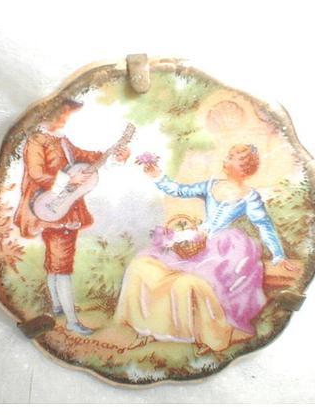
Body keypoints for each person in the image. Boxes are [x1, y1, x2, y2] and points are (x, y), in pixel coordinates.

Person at [115, 144, 295, 351]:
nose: (225, 159)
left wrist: (279, 255)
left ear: (243, 167)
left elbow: (264, 225)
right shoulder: (211, 185)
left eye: (231, 157)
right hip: (200, 239)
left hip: (227, 248)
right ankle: (152, 325)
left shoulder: (249, 196)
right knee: (145, 266)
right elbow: (179, 190)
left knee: (197, 280)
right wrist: (157, 175)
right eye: (228, 155)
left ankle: (209, 332)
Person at [14, 100, 130, 335]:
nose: (65, 119)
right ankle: (72, 321)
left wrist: (113, 155)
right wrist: (68, 180)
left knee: (56, 261)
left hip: (64, 207)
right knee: (62, 266)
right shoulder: (36, 141)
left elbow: (85, 157)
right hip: (48, 208)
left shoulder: (62, 141)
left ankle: (57, 306)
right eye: (63, 115)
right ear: (49, 116)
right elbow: (36, 173)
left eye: (67, 115)